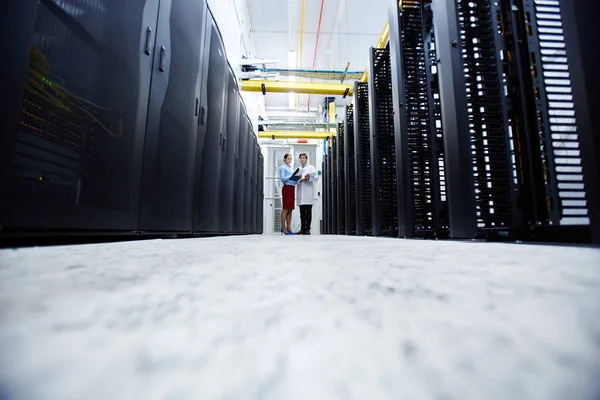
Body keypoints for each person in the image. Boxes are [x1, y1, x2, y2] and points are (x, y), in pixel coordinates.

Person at [296, 153, 319, 235]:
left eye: (303, 158)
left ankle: (307, 229)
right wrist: (298, 180)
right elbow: (295, 180)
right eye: (301, 158)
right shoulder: (298, 169)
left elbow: (316, 177)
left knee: (308, 213)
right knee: (302, 213)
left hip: (308, 193)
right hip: (300, 193)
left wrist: (308, 178)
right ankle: (302, 229)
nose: (302, 159)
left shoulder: (311, 167)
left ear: (306, 159)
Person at [279, 153, 298, 235]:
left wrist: (297, 178)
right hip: (286, 188)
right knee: (285, 208)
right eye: (288, 159)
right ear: (285, 159)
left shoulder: (291, 168)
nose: (290, 160)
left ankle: (288, 227)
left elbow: (294, 181)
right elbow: (283, 179)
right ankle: (283, 227)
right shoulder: (282, 167)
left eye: (291, 159)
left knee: (290, 209)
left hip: (292, 188)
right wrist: (291, 176)